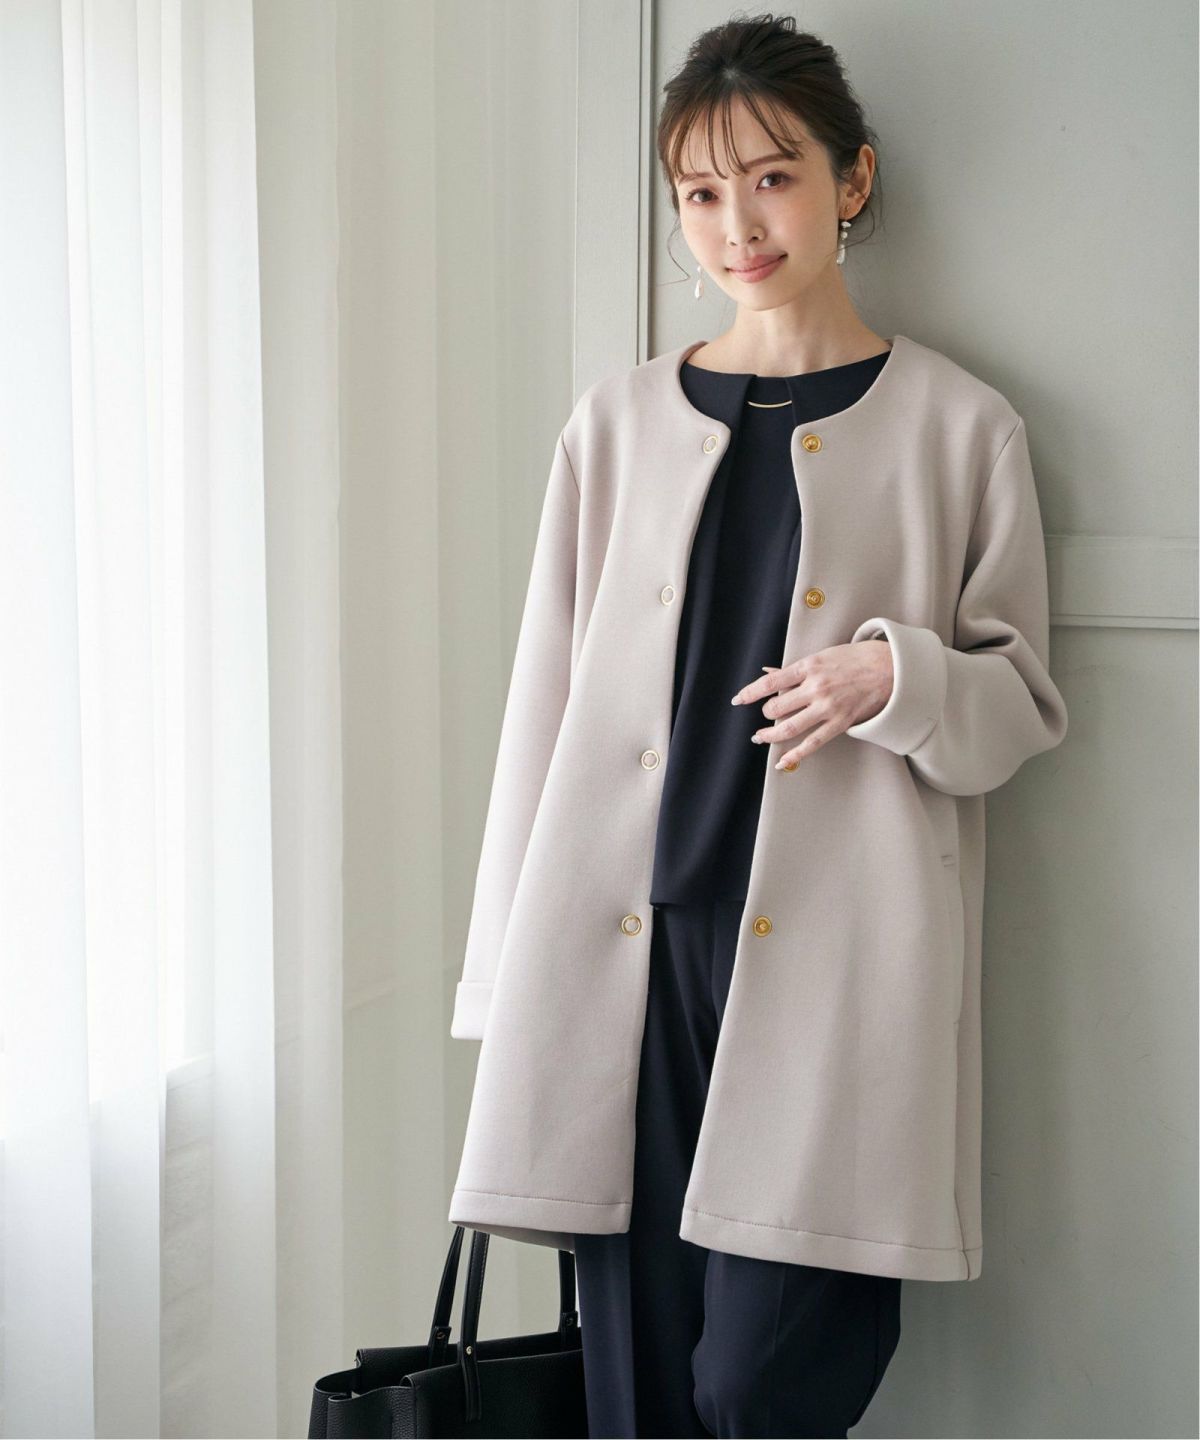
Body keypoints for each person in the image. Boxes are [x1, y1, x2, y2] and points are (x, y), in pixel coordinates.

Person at [447, 14, 1068, 1440]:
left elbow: (1020, 704)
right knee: (639, 1392)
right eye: (702, 192)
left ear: (853, 179)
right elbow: (541, 714)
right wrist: (503, 975)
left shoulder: (961, 428)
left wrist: (893, 678)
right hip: (625, 953)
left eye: (773, 178)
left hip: (838, 961)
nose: (738, 225)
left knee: (759, 1385)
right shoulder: (614, 426)